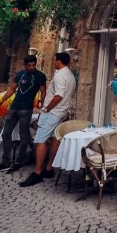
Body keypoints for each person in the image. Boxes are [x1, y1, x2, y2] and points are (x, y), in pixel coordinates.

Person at [20, 52, 76, 187]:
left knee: (40, 140)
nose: (54, 63)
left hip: (53, 112)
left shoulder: (60, 76)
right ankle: (49, 168)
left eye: (55, 61)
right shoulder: (71, 76)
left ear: (59, 62)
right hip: (61, 112)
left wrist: (47, 108)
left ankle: (37, 172)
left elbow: (59, 95)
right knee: (55, 138)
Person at [0, 55, 47, 174]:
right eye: (29, 65)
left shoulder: (40, 76)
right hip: (14, 107)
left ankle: (20, 160)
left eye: (33, 65)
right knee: (6, 134)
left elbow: (43, 91)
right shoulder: (20, 74)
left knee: (23, 134)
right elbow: (12, 89)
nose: (31, 67)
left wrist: (42, 106)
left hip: (26, 109)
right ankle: (5, 160)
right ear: (25, 65)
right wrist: (2, 100)